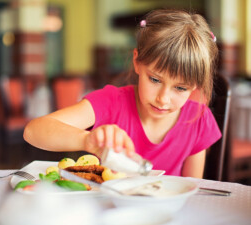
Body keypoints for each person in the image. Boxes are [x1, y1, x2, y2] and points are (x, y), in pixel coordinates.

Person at [23, 9, 221, 178]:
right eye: (155, 79)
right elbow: (33, 131)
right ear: (137, 62)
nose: (163, 98)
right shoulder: (111, 102)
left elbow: (191, 189)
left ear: (195, 85)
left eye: (180, 88)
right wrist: (87, 140)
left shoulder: (199, 120)